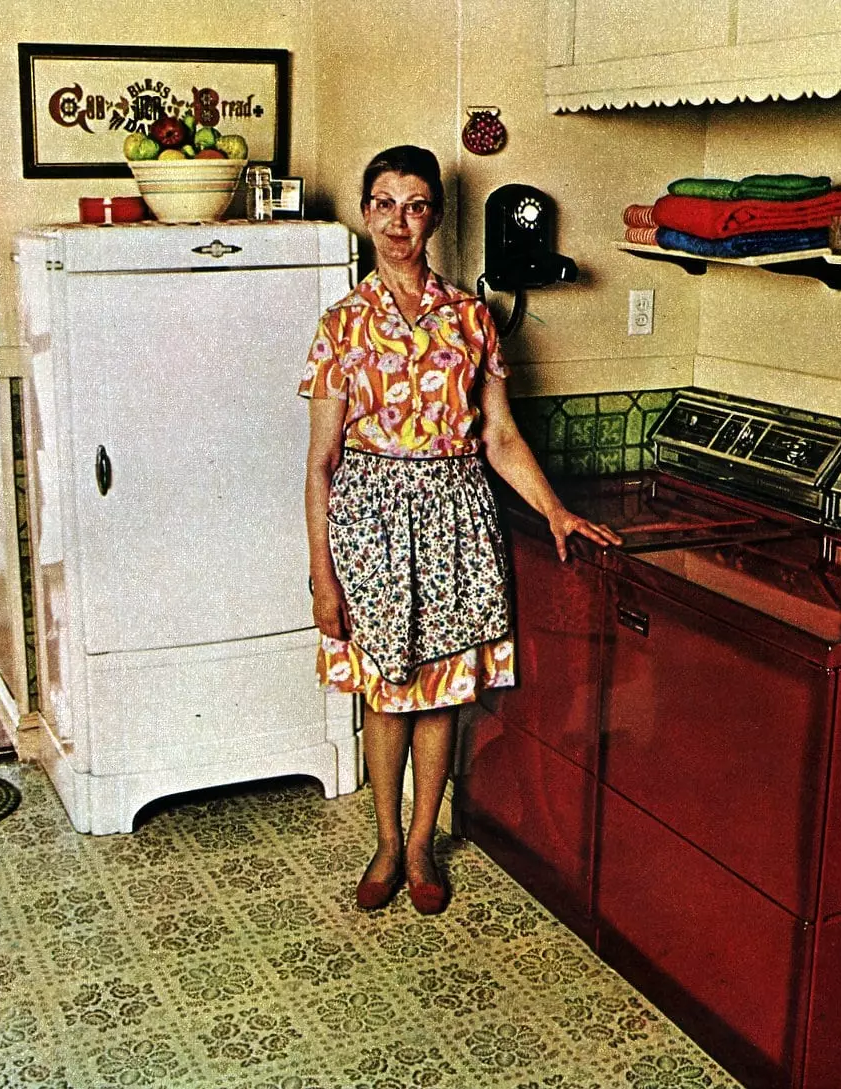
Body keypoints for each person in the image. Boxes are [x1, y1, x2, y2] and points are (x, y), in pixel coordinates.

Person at [300, 145, 621, 915]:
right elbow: (320, 463)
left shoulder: (471, 317)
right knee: (385, 693)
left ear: (437, 215)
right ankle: (383, 842)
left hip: (454, 518)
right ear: (366, 211)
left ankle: (420, 847)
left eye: (415, 205)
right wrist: (322, 576)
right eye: (384, 203)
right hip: (370, 522)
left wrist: (555, 510)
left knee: (439, 694)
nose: (398, 222)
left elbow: (500, 437)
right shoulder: (342, 324)